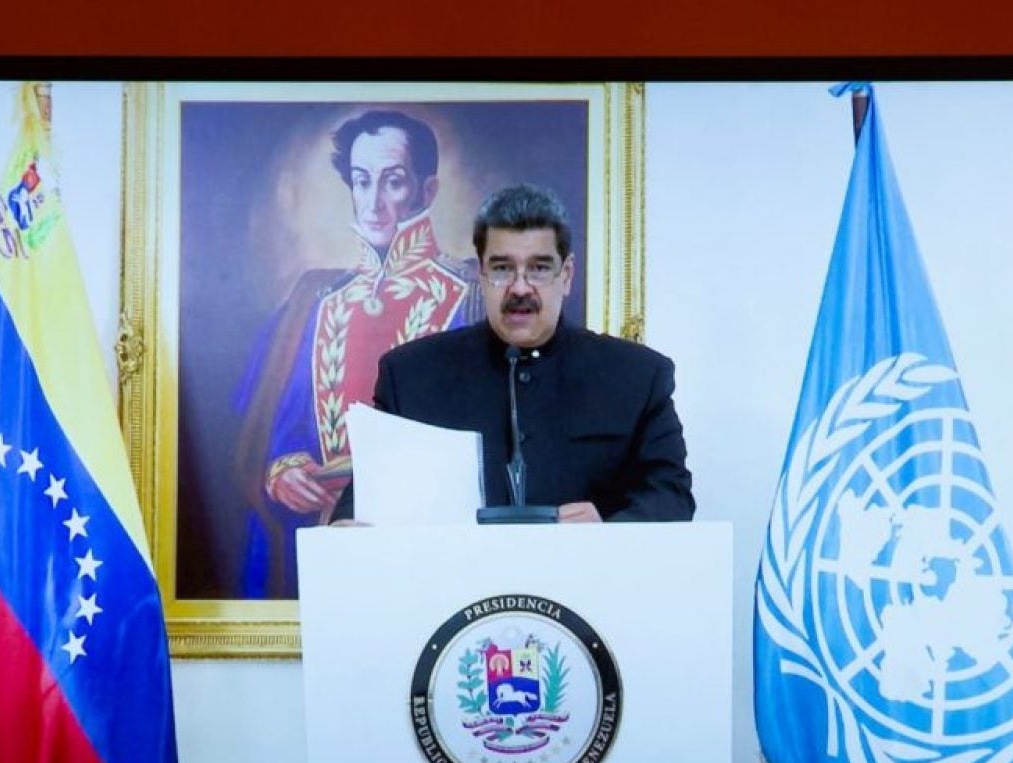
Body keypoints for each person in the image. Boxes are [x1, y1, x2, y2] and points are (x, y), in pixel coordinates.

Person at [334, 183, 694, 523]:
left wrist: (608, 527)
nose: (520, 288)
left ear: (566, 276)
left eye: (539, 268)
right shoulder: (411, 376)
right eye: (503, 269)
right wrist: (346, 527)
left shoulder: (636, 376)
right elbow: (364, 502)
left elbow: (671, 495)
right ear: (481, 274)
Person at [233, 110, 480, 596]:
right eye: (361, 181)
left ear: (426, 192)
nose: (373, 203)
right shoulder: (315, 301)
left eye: (393, 182)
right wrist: (283, 470)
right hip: (322, 540)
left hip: (430, 549)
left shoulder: (469, 296)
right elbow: (275, 428)